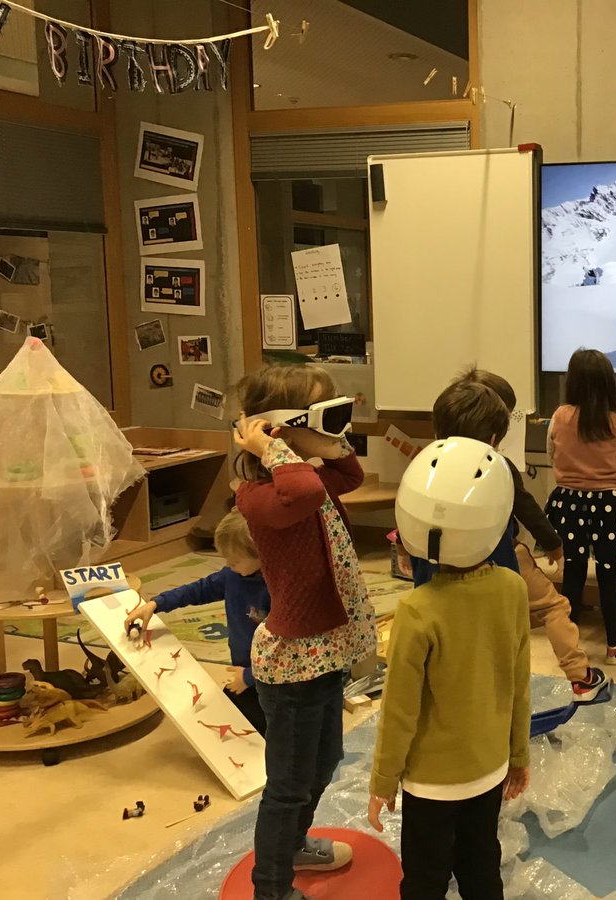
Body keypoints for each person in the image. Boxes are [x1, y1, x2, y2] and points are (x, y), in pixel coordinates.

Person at [231, 364, 377, 900]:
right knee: (288, 786)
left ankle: (292, 846)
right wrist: (274, 452)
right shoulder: (259, 495)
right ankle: (271, 887)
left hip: (324, 655)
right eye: (328, 416)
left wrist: (330, 442)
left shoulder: (305, 483)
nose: (340, 429)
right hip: (292, 664)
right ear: (279, 431)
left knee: (324, 763)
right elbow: (305, 488)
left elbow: (349, 476)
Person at [369, 437, 531, 900]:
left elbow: (398, 712)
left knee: (424, 879)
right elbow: (519, 683)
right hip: (490, 767)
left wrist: (382, 781)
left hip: (431, 782)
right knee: (482, 868)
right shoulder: (512, 589)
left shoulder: (417, 610)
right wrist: (518, 755)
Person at [458, 366, 610, 702]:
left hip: (451, 562)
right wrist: (554, 543)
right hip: (503, 556)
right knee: (554, 608)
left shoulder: (436, 461)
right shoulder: (497, 465)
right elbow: (525, 507)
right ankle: (581, 677)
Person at [125, 510, 271, 735]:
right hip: (247, 670)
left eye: (235, 561)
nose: (229, 565)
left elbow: (287, 650)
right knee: (222, 716)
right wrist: (155, 604)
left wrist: (251, 676)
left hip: (274, 679)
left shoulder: (275, 589)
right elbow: (198, 590)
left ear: (261, 554)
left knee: (267, 735)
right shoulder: (232, 575)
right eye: (226, 560)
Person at [546, 349, 616, 665]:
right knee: (609, 573)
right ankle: (614, 646)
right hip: (609, 505)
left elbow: (551, 455)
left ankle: (569, 646)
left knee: (572, 570)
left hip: (568, 502)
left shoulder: (559, 416)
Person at [401, 381, 521, 586]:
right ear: (493, 440)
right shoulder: (492, 481)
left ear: (437, 433)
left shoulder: (425, 471)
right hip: (491, 598)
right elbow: (502, 554)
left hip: (430, 594)